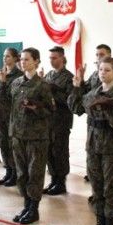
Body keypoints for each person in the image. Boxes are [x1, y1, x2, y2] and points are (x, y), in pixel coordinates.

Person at [68, 57, 113, 225]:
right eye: (101, 69)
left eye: (107, 70)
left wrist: (108, 109)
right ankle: (99, 224)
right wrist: (77, 87)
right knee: (96, 187)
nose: (103, 73)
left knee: (110, 188)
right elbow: (76, 108)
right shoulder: (92, 93)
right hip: (94, 147)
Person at [0, 48, 54, 224]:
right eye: (21, 59)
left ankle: (34, 208)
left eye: (27, 59)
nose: (23, 62)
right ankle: (26, 205)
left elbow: (51, 111)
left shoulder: (43, 85)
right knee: (22, 174)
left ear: (36, 61)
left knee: (34, 173)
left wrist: (36, 108)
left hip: (36, 137)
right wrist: (2, 84)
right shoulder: (16, 83)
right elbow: (7, 104)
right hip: (17, 134)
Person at [42, 46, 74, 195]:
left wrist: (55, 90)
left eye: (54, 58)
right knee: (49, 151)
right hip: (48, 119)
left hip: (61, 119)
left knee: (59, 151)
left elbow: (70, 100)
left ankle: (61, 182)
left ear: (62, 58)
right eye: (50, 58)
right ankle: (53, 179)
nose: (51, 60)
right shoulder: (48, 75)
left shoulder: (68, 77)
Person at [0, 47, 23, 187]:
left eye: (8, 56)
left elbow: (9, 97)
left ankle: (15, 173)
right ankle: (8, 170)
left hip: (12, 115)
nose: (5, 58)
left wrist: (3, 82)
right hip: (1, 114)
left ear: (15, 58)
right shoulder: (2, 72)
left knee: (12, 145)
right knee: (4, 144)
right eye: (4, 56)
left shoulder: (18, 75)